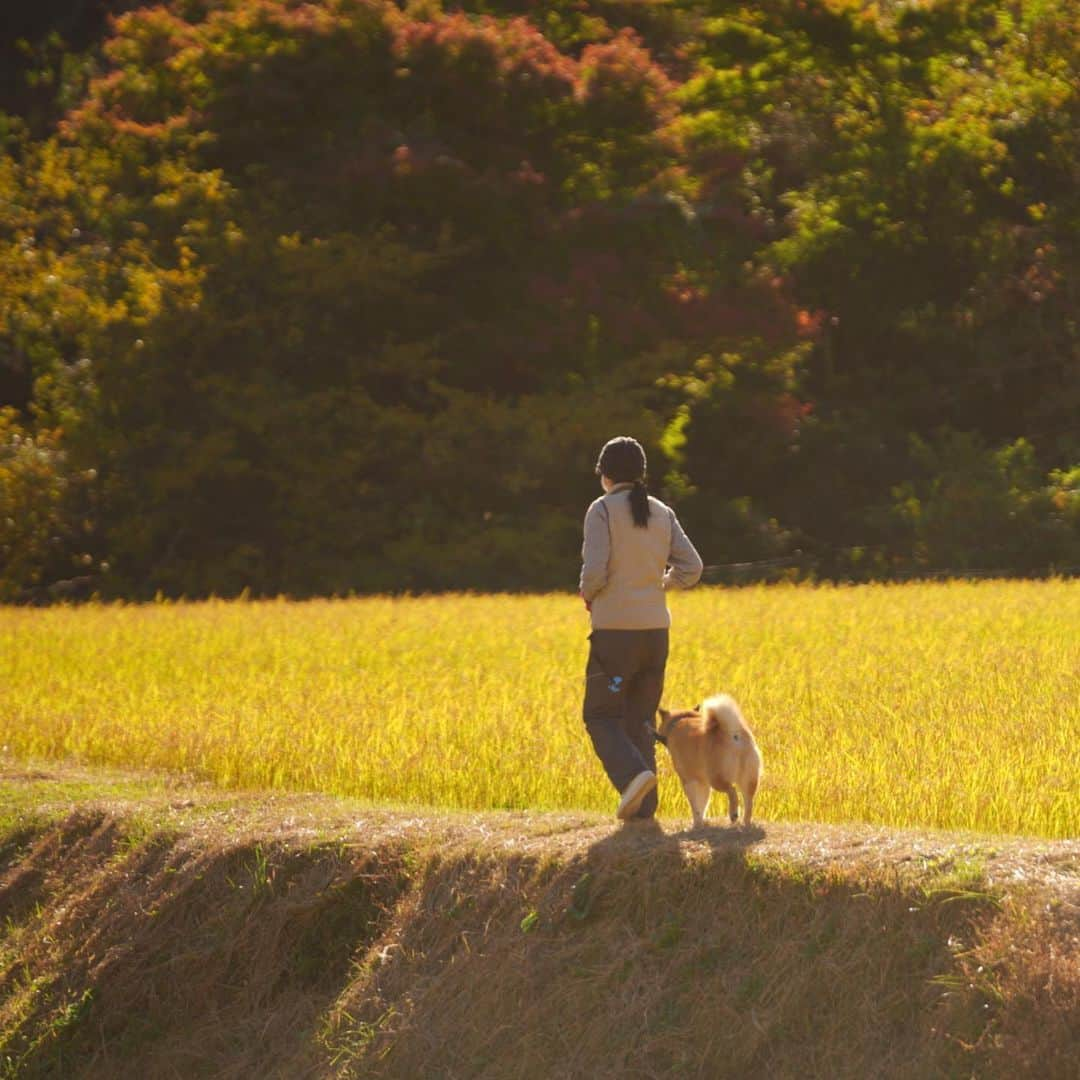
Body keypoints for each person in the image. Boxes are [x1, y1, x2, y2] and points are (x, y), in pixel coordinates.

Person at [579, 436, 703, 821]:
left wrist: (588, 594)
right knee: (640, 719)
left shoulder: (601, 510)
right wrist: (659, 584)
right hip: (655, 635)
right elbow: (692, 568)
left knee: (600, 715)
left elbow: (594, 573)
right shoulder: (662, 511)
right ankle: (644, 809)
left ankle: (634, 777)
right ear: (641, 474)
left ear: (606, 475)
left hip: (616, 636)